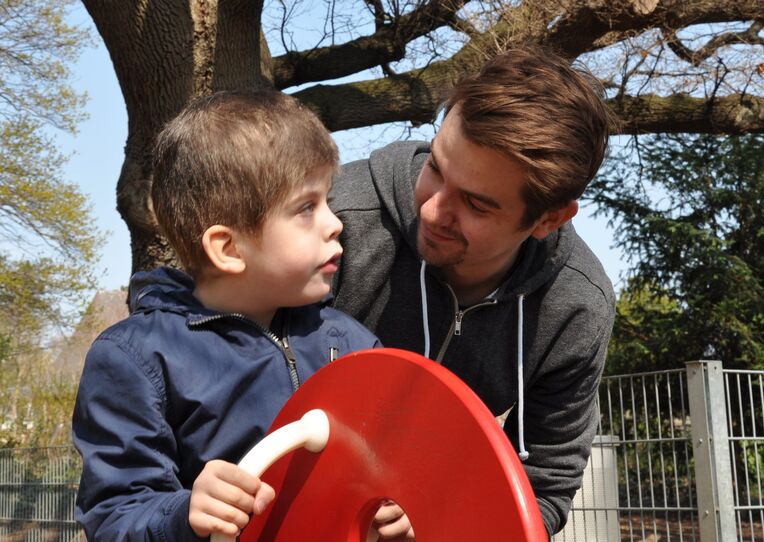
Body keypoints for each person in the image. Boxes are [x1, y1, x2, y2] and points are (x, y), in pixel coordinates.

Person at [330, 44, 615, 536]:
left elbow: (540, 493)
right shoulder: (333, 224)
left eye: (477, 205)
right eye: (437, 168)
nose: (433, 210)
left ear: (549, 219)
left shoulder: (575, 306)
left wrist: (440, 524)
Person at [72, 90, 381, 541]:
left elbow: (395, 463)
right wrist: (184, 514)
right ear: (229, 248)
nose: (336, 223)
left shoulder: (351, 345)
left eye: (328, 200)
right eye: (306, 207)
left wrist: (398, 512)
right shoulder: (137, 359)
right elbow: (116, 512)